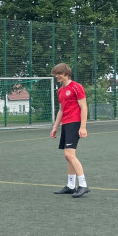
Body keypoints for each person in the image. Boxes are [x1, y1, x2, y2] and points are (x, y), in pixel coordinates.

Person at [50, 63, 90, 197]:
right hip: (66, 124)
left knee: (69, 155)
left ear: (66, 73)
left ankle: (83, 185)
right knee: (68, 157)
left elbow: (84, 107)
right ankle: (71, 186)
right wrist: (55, 127)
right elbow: (61, 110)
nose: (57, 76)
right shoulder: (60, 90)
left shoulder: (77, 87)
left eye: (59, 74)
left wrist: (83, 127)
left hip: (75, 123)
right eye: (55, 74)